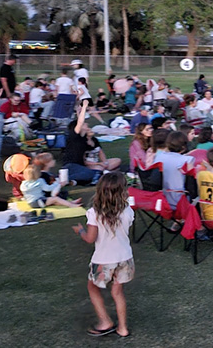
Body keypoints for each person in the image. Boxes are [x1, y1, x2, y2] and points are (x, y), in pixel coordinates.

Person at [72, 172, 134, 338]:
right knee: (117, 292)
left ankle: (105, 321)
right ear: (123, 191)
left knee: (92, 287)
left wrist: (81, 231)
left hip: (104, 260)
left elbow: (90, 239)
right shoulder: (128, 211)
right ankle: (123, 328)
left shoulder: (94, 213)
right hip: (125, 258)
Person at [62, 101, 103, 185]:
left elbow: (94, 148)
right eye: (84, 125)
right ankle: (63, 178)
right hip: (71, 165)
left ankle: (74, 181)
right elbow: (80, 122)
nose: (86, 124)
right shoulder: (74, 137)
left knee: (95, 172)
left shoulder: (84, 139)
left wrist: (79, 113)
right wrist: (84, 107)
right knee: (91, 173)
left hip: (80, 166)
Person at [153, 131, 195, 210]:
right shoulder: (187, 160)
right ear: (184, 146)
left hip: (161, 199)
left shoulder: (159, 157)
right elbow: (192, 181)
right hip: (180, 200)